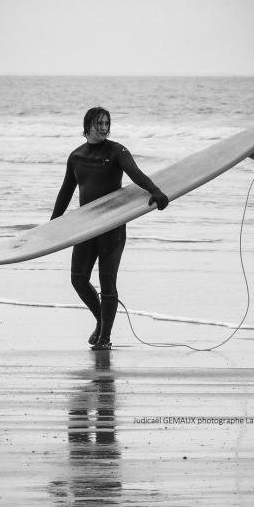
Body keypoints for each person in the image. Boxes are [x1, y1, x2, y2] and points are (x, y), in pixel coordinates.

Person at [50, 107, 169, 350]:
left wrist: (155, 190)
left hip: (111, 226)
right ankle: (101, 321)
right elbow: (66, 191)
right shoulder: (76, 157)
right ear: (87, 127)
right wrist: (52, 225)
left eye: (106, 123)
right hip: (85, 226)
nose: (103, 128)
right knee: (78, 279)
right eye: (98, 124)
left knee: (107, 283)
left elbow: (135, 173)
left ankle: (105, 338)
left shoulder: (117, 151)